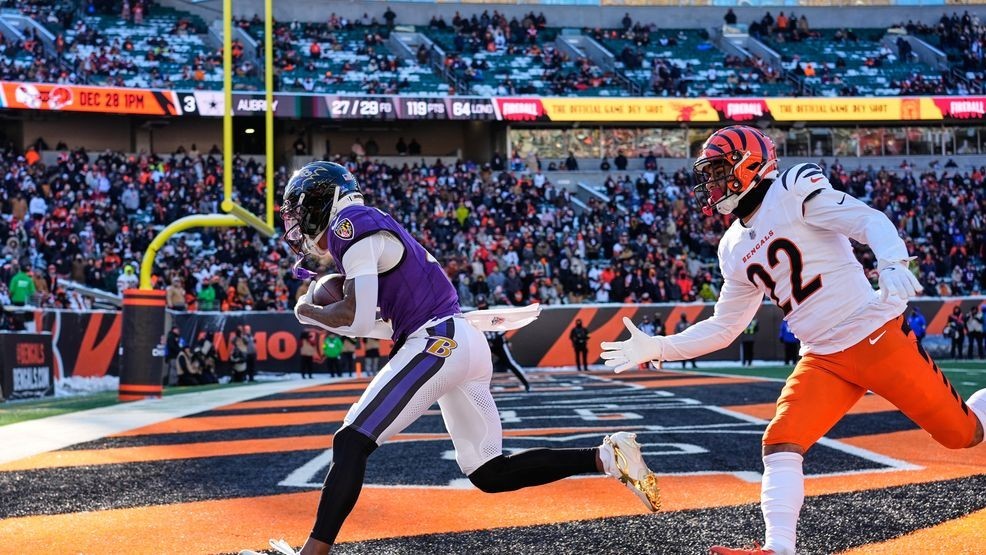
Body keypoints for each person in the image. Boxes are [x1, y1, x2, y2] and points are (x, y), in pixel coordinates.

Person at [600, 125, 986, 555]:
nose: (711, 183)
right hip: (822, 357)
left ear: (750, 164)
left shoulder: (792, 187)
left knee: (962, 436)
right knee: (781, 440)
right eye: (706, 174)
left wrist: (892, 261)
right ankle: (780, 547)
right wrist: (659, 347)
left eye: (718, 170)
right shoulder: (732, 245)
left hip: (873, 334)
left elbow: (867, 220)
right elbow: (725, 326)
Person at [277, 161, 658, 555]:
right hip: (459, 340)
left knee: (352, 441)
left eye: (301, 209)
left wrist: (307, 311)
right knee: (489, 472)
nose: (299, 221)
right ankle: (605, 456)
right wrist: (327, 316)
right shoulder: (368, 227)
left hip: (438, 341)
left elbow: (355, 319)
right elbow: (376, 324)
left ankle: (313, 553)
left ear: (324, 199)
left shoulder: (351, 223)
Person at [477, 296, 529, 391]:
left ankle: (526, 383)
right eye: (480, 305)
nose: (481, 307)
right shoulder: (477, 317)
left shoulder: (492, 315)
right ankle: (479, 388)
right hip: (487, 344)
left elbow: (503, 327)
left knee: (510, 363)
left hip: (498, 343)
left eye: (483, 305)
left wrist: (499, 339)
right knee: (481, 366)